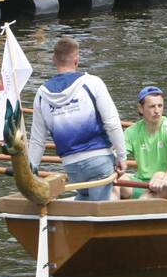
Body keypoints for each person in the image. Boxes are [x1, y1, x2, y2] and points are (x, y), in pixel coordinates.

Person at [26, 37, 126, 201]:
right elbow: (112, 124)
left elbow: (37, 140)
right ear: (77, 60)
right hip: (98, 161)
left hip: (71, 167)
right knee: (97, 213)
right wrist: (122, 157)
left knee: (84, 207)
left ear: (53, 60)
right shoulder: (92, 83)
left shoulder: (41, 95)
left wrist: (31, 169)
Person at [120, 86, 167, 202]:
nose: (157, 111)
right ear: (141, 108)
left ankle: (138, 207)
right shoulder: (131, 131)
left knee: (159, 174)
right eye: (152, 106)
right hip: (143, 183)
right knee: (118, 180)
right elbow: (117, 155)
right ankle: (104, 212)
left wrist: (165, 179)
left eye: (160, 106)